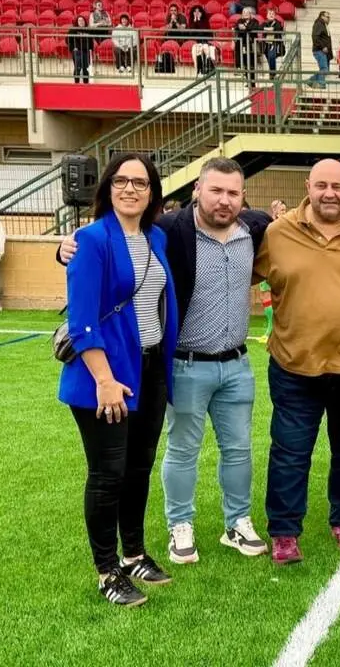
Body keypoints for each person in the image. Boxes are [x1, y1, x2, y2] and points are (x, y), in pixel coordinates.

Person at [60, 158, 273, 566]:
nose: (224, 200)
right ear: (197, 190)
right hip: (184, 363)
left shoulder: (251, 229)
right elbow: (96, 260)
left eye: (232, 193)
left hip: (229, 365)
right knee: (175, 452)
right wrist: (64, 247)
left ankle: (235, 523)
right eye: (215, 190)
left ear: (243, 198)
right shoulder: (170, 230)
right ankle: (178, 527)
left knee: (236, 449)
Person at [58, 152, 180, 607]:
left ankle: (133, 554)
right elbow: (82, 320)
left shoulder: (156, 237)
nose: (130, 189)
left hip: (150, 368)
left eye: (140, 183)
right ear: (108, 188)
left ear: (152, 193)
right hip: (105, 375)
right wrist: (105, 381)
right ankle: (107, 571)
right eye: (121, 181)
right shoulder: (90, 240)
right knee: (107, 474)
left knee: (138, 467)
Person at [256, 159, 340, 562]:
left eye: (337, 186)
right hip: (295, 364)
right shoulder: (277, 233)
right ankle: (284, 531)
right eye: (321, 186)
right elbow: (232, 268)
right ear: (308, 187)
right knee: (290, 451)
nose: (329, 193)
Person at [188, 6, 218, 76]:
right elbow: (191, 32)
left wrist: (199, 20)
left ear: (201, 13)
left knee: (205, 47)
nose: (197, 13)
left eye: (198, 11)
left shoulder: (205, 20)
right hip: (196, 42)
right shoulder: (191, 21)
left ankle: (209, 66)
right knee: (196, 49)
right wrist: (195, 21)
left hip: (205, 41)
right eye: (195, 11)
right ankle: (198, 68)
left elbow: (204, 31)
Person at [233, 7, 261, 86]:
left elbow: (255, 28)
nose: (245, 13)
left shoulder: (255, 21)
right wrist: (243, 27)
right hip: (242, 45)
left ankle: (252, 83)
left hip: (251, 45)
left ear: (250, 14)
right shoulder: (239, 21)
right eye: (243, 12)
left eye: (246, 12)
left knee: (251, 64)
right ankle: (248, 80)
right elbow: (236, 27)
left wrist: (245, 27)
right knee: (245, 63)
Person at [259, 8, 285, 80]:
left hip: (274, 44)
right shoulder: (264, 23)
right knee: (269, 59)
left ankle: (272, 74)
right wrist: (267, 29)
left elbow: (279, 28)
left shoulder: (278, 23)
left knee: (271, 56)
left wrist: (272, 29)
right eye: (269, 14)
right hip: (266, 45)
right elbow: (258, 27)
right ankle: (272, 73)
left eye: (273, 14)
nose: (271, 15)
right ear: (266, 16)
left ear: (275, 16)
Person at [67, 15, 94, 84]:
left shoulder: (88, 30)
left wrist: (91, 49)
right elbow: (68, 40)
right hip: (77, 51)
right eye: (79, 20)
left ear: (85, 21)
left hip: (86, 51)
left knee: (86, 68)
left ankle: (86, 83)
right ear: (77, 22)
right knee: (78, 68)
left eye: (82, 20)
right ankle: (77, 83)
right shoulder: (73, 30)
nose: (81, 22)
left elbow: (91, 41)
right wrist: (73, 48)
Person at [310, 11, 333, 87]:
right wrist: (322, 47)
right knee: (324, 68)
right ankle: (321, 84)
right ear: (322, 16)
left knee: (324, 70)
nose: (329, 19)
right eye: (327, 17)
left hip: (324, 51)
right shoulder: (319, 24)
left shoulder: (323, 25)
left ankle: (310, 81)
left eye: (329, 17)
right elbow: (315, 37)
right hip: (320, 51)